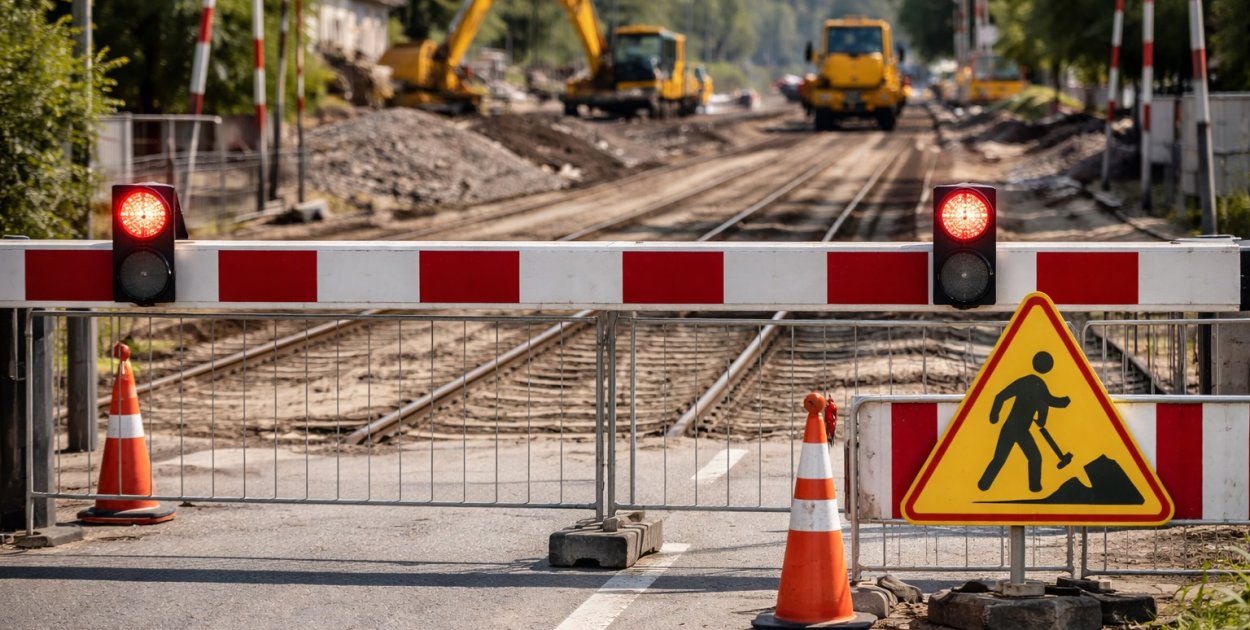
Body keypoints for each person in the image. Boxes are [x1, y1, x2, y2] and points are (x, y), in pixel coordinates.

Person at [977, 351, 1071, 493]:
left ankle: (983, 485)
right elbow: (1052, 402)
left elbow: (1000, 397)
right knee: (1034, 458)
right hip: (1017, 430)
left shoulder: (1027, 383)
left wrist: (994, 416)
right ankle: (1034, 488)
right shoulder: (1038, 386)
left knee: (1002, 459)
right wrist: (1068, 399)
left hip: (1012, 429)